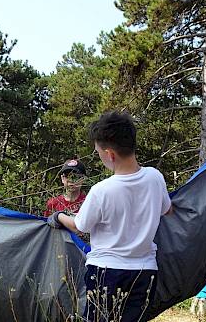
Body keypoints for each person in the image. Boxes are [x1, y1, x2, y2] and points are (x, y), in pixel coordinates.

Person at [48, 111, 172, 322]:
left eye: (98, 152)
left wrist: (59, 216)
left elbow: (80, 226)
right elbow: (167, 210)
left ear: (110, 154)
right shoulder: (155, 177)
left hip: (106, 272)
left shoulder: (102, 190)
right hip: (145, 272)